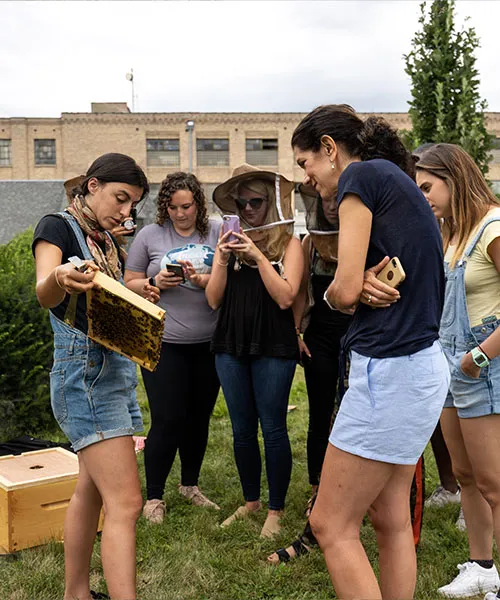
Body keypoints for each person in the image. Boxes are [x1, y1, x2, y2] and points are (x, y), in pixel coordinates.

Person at [292, 104, 450, 599]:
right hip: (420, 368)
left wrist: (350, 284)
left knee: (330, 525)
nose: (308, 177)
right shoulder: (396, 182)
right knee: (389, 518)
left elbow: (338, 292)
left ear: (330, 149)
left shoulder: (359, 177)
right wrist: (356, 282)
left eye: (306, 163)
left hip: (389, 374)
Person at [32, 153, 150, 600]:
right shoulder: (57, 227)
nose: (125, 212)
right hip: (85, 375)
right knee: (127, 502)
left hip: (111, 371)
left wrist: (137, 290)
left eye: (132, 204)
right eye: (121, 199)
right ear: (93, 185)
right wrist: (60, 275)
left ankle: (76, 593)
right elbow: (45, 291)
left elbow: (105, 296)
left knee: (92, 491)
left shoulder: (102, 239)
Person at [415, 144, 500, 599]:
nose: (423, 196)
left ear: (454, 177)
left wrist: (480, 356)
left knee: (495, 482)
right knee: (466, 475)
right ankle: (483, 567)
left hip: (483, 366)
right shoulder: (453, 232)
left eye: (428, 187)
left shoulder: (493, 227)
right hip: (451, 366)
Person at [206, 164, 303, 538]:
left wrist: (258, 256)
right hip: (230, 341)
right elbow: (214, 300)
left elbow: (285, 296)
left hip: (273, 342)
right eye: (241, 203)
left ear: (273, 202)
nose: (248, 209)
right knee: (242, 429)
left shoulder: (289, 243)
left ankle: (276, 509)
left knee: (273, 427)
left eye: (256, 202)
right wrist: (221, 257)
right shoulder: (228, 243)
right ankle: (250, 502)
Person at [124, 171, 221, 524]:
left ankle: (190, 485)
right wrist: (154, 281)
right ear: (164, 206)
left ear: (199, 203)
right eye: (173, 207)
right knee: (167, 419)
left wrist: (202, 279)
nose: (181, 214)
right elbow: (129, 282)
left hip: (209, 344)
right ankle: (153, 496)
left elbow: (230, 278)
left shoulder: (216, 231)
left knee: (199, 418)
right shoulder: (150, 235)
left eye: (187, 206)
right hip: (163, 342)